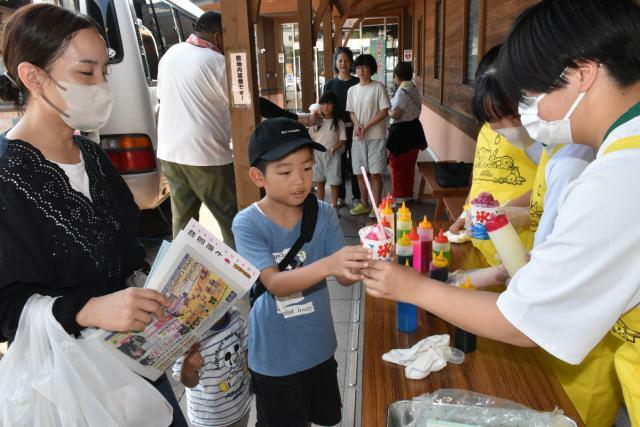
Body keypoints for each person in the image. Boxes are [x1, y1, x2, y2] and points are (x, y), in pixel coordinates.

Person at [363, 0, 640, 424]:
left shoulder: (620, 173)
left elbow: (525, 323)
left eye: (531, 93)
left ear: (584, 74)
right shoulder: (616, 154)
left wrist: (412, 288)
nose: (526, 111)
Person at [0, 4, 186, 425]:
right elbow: (6, 309)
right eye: (86, 73)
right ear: (32, 77)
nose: (102, 85)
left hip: (135, 366)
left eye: (104, 71)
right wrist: (86, 309)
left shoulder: (93, 156)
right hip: (68, 385)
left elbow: (126, 254)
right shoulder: (7, 178)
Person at [232, 117, 371, 426]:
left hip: (319, 346)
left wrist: (365, 259)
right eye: (285, 171)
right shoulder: (248, 223)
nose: (300, 180)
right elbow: (275, 283)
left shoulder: (322, 212)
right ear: (258, 176)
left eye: (307, 168)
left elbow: (345, 279)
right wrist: (331, 264)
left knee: (316, 417)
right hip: (275, 357)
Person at [448, 45, 543, 265]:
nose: (498, 125)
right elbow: (481, 177)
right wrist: (465, 214)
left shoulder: (534, 134)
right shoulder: (488, 127)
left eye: (507, 114)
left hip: (519, 247)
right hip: (482, 242)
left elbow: (547, 187)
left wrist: (501, 212)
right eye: (491, 117)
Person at [157, 11, 237, 247]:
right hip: (205, 154)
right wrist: (291, 117)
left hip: (171, 153)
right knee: (231, 218)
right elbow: (244, 103)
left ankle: (179, 276)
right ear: (217, 35)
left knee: (183, 222)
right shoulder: (217, 62)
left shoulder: (170, 54)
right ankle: (244, 278)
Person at [172, 307, 251, 427]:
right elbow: (187, 382)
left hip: (241, 405)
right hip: (210, 419)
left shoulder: (235, 315)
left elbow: (246, 349)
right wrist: (188, 369)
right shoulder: (187, 336)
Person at [346, 54, 391, 218]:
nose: (361, 70)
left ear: (371, 69)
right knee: (360, 172)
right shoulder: (352, 90)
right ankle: (364, 203)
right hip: (358, 137)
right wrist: (357, 124)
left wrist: (367, 125)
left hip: (376, 137)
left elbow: (384, 111)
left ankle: (376, 206)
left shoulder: (378, 88)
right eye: (358, 67)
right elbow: (351, 112)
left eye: (364, 67)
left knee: (375, 173)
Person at [323, 47, 361, 209]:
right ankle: (340, 196)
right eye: (340, 61)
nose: (343, 64)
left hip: (354, 128)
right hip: (335, 130)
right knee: (337, 163)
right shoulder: (330, 84)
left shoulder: (357, 82)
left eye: (346, 60)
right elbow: (323, 105)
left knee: (355, 162)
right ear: (336, 63)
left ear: (351, 62)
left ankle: (357, 196)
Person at [387, 62, 427, 202]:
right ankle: (407, 194)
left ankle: (400, 196)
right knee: (409, 165)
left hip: (401, 133)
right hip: (414, 129)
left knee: (397, 165)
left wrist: (388, 110)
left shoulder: (402, 92)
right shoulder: (413, 88)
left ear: (396, 76)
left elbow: (396, 115)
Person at [310, 91, 347, 213]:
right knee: (320, 182)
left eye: (329, 104)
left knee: (334, 182)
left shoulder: (339, 122)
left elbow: (342, 139)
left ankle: (334, 207)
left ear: (334, 105)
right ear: (319, 105)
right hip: (317, 155)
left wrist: (335, 148)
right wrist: (311, 154)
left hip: (333, 155)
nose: (326, 106)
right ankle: (320, 206)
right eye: (323, 103)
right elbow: (310, 139)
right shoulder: (315, 121)